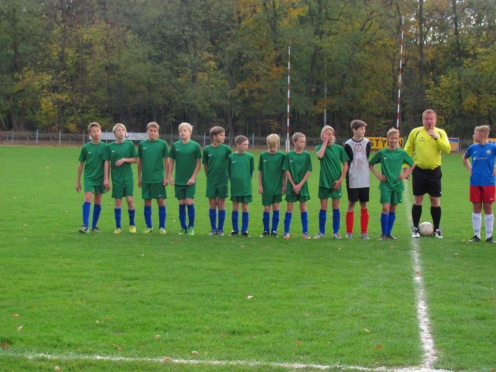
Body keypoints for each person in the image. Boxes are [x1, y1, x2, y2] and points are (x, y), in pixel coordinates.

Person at [404, 109, 451, 238]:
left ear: (435, 120)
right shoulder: (415, 132)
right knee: (418, 198)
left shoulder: (440, 133)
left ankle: (436, 230)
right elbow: (407, 149)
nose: (429, 121)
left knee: (435, 200)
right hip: (418, 171)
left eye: (431, 119)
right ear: (422, 120)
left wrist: (435, 138)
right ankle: (415, 229)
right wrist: (405, 168)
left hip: (435, 172)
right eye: (426, 119)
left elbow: (447, 149)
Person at [369, 128, 416, 240]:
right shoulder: (382, 153)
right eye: (392, 138)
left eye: (396, 138)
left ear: (398, 139)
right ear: (387, 139)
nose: (394, 140)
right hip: (385, 184)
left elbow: (413, 164)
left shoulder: (402, 153)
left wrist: (405, 174)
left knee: (393, 208)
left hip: (397, 184)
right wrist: (378, 175)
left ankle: (389, 233)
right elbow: (370, 164)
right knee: (385, 208)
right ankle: (383, 233)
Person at [314, 126, 349, 239]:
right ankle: (321, 232)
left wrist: (340, 180)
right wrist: (324, 143)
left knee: (335, 206)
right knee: (323, 207)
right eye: (326, 134)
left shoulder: (338, 149)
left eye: (330, 134)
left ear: (333, 136)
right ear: (322, 136)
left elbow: (346, 165)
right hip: (324, 182)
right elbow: (320, 155)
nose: (329, 136)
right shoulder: (319, 147)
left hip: (336, 183)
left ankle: (336, 232)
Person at [462, 125, 496, 243]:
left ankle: (489, 236)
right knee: (476, 207)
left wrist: (495, 169)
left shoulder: (492, 148)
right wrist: (470, 169)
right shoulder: (472, 148)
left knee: (488, 208)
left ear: (481, 135)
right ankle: (476, 235)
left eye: (475, 134)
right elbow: (464, 158)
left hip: (489, 182)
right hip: (475, 182)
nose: (473, 136)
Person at [169, 122, 202, 235]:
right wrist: (170, 176)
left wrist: (193, 178)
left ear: (190, 132)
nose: (182, 133)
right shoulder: (175, 146)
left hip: (190, 181)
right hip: (179, 180)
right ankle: (183, 227)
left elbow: (199, 164)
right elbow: (171, 162)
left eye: (184, 130)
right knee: (181, 203)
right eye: (180, 131)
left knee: (189, 202)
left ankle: (191, 227)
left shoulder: (195, 146)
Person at [104, 123, 138, 234]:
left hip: (128, 177)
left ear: (125, 132)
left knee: (129, 200)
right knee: (118, 201)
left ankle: (132, 225)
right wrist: (106, 179)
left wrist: (124, 159)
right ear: (114, 133)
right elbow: (107, 163)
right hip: (116, 178)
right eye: (118, 130)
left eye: (123, 130)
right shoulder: (109, 147)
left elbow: (135, 159)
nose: (121, 132)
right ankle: (118, 227)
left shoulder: (130, 145)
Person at [137, 122, 169, 234]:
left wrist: (166, 177)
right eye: (151, 130)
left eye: (155, 131)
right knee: (147, 202)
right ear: (147, 131)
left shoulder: (162, 144)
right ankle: (149, 226)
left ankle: (162, 227)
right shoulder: (142, 145)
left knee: (160, 201)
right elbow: (140, 162)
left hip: (158, 178)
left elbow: (166, 161)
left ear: (158, 133)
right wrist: (139, 177)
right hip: (146, 178)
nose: (153, 133)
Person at [76, 122, 107, 233]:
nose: (96, 133)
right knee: (88, 198)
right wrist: (78, 182)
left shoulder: (105, 147)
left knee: (98, 200)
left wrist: (107, 179)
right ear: (90, 134)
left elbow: (107, 164)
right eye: (93, 131)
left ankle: (94, 226)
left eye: (97, 131)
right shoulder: (86, 148)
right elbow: (81, 164)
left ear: (101, 132)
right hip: (89, 177)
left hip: (100, 178)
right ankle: (85, 226)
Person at [344, 120, 371, 239]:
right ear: (354, 130)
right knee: (351, 203)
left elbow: (367, 157)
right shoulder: (348, 144)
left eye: (364, 129)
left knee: (364, 204)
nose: (363, 131)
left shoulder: (367, 143)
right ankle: (349, 232)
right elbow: (347, 161)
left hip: (364, 177)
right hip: (353, 178)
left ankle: (364, 232)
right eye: (361, 129)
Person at [282, 132, 313, 239]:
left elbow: (309, 170)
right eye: (301, 141)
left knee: (303, 207)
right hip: (291, 186)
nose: (303, 144)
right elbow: (286, 170)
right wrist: (293, 184)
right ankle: (286, 232)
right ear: (294, 142)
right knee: (289, 207)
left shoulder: (307, 155)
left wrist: (299, 185)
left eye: (304, 142)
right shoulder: (289, 155)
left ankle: (305, 232)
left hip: (303, 186)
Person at [203, 126, 232, 236]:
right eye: (221, 135)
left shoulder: (226, 149)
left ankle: (220, 229)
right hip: (211, 181)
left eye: (224, 135)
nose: (224, 137)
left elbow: (230, 163)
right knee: (212, 204)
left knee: (221, 204)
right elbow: (205, 165)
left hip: (223, 181)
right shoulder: (207, 150)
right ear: (214, 137)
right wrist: (209, 177)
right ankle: (213, 228)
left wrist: (228, 176)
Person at [258, 134, 286, 237]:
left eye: (274, 146)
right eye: (271, 147)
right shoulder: (263, 155)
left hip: (277, 186)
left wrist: (284, 185)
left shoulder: (282, 156)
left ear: (278, 144)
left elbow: (284, 172)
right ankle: (266, 231)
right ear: (267, 144)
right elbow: (260, 171)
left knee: (276, 207)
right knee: (266, 208)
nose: (273, 149)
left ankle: (274, 231)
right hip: (266, 187)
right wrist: (260, 185)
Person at [228, 135, 254, 237]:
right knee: (235, 207)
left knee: (245, 207)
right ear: (238, 145)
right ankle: (235, 230)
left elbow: (251, 172)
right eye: (244, 144)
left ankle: (244, 231)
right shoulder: (231, 157)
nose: (246, 146)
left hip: (246, 187)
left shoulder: (250, 157)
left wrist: (247, 182)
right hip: (235, 186)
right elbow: (229, 172)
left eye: (247, 144)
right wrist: (233, 181)